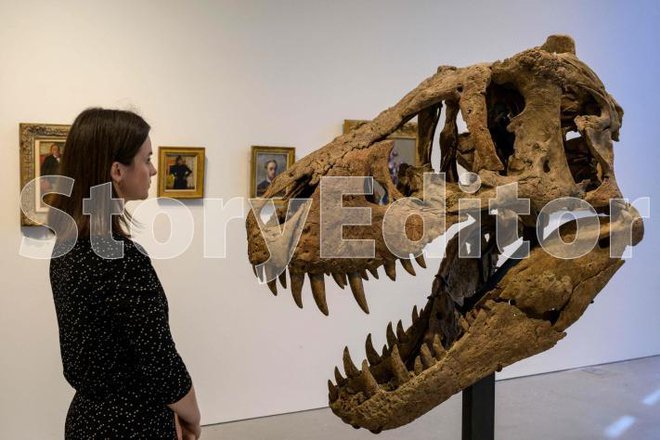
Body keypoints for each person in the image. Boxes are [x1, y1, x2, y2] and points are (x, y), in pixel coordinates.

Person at [47, 107, 201, 439]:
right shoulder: (120, 259)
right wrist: (192, 414)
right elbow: (159, 358)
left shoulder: (67, 245)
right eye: (146, 159)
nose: (154, 169)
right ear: (117, 170)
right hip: (131, 425)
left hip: (86, 420)